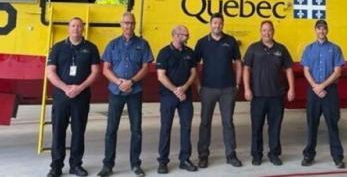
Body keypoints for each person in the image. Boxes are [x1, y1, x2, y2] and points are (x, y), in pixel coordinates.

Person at [97, 12, 154, 177]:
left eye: (131, 23)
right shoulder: (112, 44)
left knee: (136, 129)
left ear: (134, 25)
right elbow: (105, 68)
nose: (128, 26)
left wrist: (132, 82)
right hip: (116, 91)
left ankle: (135, 164)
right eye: (125, 23)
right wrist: (119, 82)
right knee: (111, 130)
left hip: (134, 92)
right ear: (121, 25)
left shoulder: (143, 44)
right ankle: (107, 165)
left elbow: (146, 68)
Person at [46, 17, 100, 177]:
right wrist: (65, 88)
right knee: (58, 131)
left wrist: (80, 88)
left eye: (79, 26)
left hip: (81, 97)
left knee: (78, 132)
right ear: (68, 28)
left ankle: (76, 165)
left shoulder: (91, 48)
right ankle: (56, 166)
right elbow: (50, 72)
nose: (76, 29)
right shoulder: (57, 48)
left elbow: (95, 72)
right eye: (73, 26)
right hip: (61, 97)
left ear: (83, 29)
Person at [243, 20, 295, 166]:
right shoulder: (253, 48)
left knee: (275, 127)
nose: (267, 33)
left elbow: (289, 69)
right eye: (264, 30)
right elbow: (246, 68)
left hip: (276, 96)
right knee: (256, 127)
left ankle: (274, 154)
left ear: (273, 31)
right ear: (260, 32)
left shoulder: (281, 49)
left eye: (269, 30)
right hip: (258, 96)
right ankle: (257, 155)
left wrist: (292, 88)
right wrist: (247, 88)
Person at [194, 12, 243, 168]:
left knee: (228, 123)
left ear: (223, 24)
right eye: (215, 23)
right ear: (210, 24)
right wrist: (198, 86)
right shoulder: (202, 42)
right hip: (208, 89)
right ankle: (203, 155)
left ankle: (231, 155)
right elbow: (194, 66)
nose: (217, 26)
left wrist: (237, 84)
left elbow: (238, 63)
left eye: (220, 23)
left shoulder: (231, 41)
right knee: (205, 123)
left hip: (228, 89)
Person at [300, 19, 346, 169]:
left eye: (324, 28)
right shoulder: (309, 49)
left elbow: (338, 71)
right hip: (313, 92)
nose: (321, 31)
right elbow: (306, 70)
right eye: (319, 28)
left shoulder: (335, 49)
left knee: (332, 125)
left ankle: (337, 157)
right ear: (315, 30)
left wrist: (323, 86)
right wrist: (315, 86)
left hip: (330, 92)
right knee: (311, 125)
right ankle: (309, 155)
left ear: (327, 30)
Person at [156, 25, 199, 174]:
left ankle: (185, 159)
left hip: (186, 97)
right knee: (165, 128)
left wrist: (185, 87)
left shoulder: (190, 53)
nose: (188, 37)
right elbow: (161, 76)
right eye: (185, 35)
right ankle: (163, 161)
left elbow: (194, 73)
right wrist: (176, 90)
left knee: (186, 128)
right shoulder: (164, 53)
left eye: (188, 34)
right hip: (168, 96)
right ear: (176, 35)